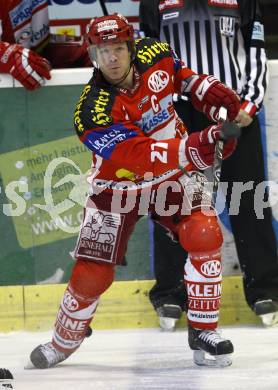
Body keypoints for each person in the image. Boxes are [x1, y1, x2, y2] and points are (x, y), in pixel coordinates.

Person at [28, 13, 241, 368]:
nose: (111, 58)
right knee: (91, 274)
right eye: (101, 51)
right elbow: (139, 157)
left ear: (130, 46)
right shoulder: (91, 111)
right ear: (92, 55)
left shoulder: (156, 51)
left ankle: (204, 331)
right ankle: (63, 342)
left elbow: (182, 77)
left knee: (205, 232)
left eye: (117, 48)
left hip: (172, 175)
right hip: (116, 187)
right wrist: (198, 144)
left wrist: (206, 90)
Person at [139, 0, 278, 330]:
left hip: (230, 108)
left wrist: (248, 104)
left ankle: (265, 288)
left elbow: (256, 52)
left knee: (249, 198)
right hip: (177, 113)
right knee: (173, 201)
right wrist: (156, 112)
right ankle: (171, 292)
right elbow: (144, 60)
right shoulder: (152, 2)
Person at [0, 0, 90, 90]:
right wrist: (5, 54)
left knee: (94, 49)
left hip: (37, 51)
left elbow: (40, 45)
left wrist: (94, 45)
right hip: (11, 86)